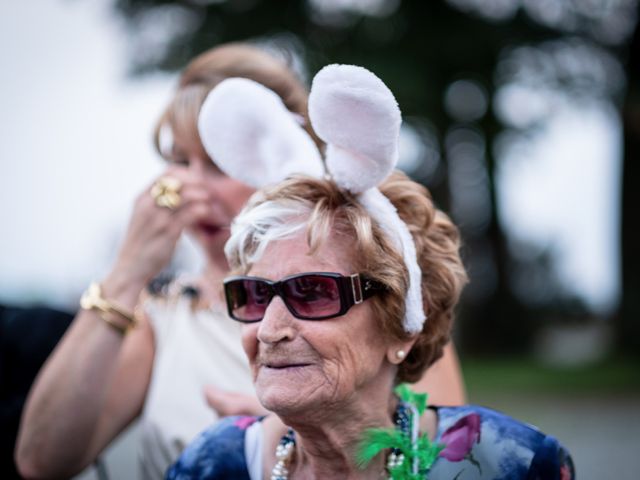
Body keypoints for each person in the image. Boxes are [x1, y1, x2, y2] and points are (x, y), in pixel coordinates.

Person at [15, 46, 465, 479]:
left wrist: (295, 437)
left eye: (216, 162)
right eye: (178, 162)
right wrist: (128, 271)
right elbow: (42, 460)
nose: (191, 189)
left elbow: (447, 457)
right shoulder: (160, 319)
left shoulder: (378, 302)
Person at [167, 64, 575, 479]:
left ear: (402, 326)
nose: (270, 330)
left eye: (312, 292)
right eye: (253, 295)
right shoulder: (212, 464)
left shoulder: (511, 463)